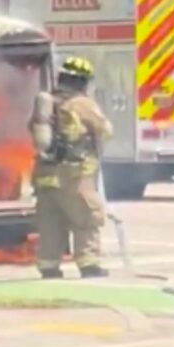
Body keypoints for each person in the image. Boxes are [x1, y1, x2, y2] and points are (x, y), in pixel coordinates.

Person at [29, 56, 113, 279]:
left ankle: (48, 267)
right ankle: (89, 265)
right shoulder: (82, 104)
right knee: (86, 218)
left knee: (51, 224)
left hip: (45, 176)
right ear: (83, 82)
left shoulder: (46, 105)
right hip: (75, 176)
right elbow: (106, 131)